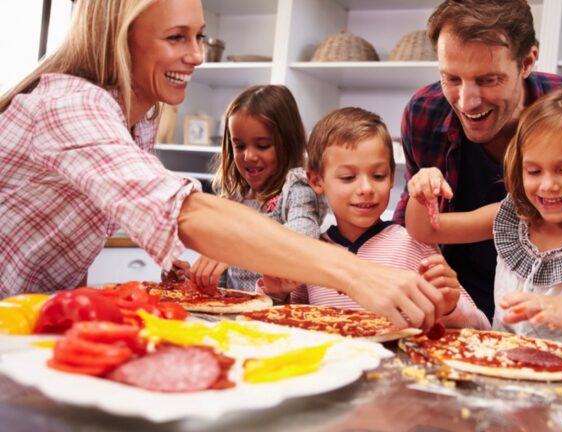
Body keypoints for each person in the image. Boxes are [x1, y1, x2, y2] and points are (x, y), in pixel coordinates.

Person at [0, 0, 450, 331]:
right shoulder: (70, 105)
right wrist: (355, 272)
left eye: (198, 36)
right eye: (177, 37)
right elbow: (189, 213)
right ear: (120, 38)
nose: (197, 55)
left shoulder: (141, 118)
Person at [397, 0, 562, 320]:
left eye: (488, 80)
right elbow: (422, 229)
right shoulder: (425, 113)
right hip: (467, 311)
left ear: (527, 62)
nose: (467, 102)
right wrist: (422, 189)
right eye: (452, 79)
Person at [407, 87, 562, 348]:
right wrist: (422, 193)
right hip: (498, 365)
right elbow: (427, 230)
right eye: (533, 171)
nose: (547, 185)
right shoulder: (512, 217)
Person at [263, 107, 489, 329]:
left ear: (392, 177)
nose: (366, 188)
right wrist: (277, 294)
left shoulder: (411, 245)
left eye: (378, 176)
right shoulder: (312, 252)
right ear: (316, 181)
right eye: (348, 177)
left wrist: (450, 308)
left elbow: (481, 327)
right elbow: (289, 327)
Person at [177, 85, 325, 293]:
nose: (249, 156)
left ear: (288, 142)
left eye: (262, 145)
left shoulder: (297, 189)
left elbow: (300, 243)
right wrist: (193, 279)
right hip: (241, 315)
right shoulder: (234, 199)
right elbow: (224, 284)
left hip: (281, 315)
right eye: (239, 146)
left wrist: (232, 249)